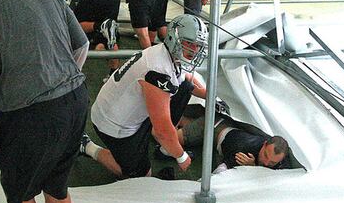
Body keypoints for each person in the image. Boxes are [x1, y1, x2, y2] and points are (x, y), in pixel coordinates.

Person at [0, 0, 89, 203]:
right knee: (57, 186)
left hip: (31, 114)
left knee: (20, 198)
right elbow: (81, 44)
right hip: (76, 99)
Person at [80, 14, 208, 179]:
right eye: (189, 43)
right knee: (141, 175)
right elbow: (162, 128)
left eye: (197, 45)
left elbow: (188, 79)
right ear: (173, 37)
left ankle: (166, 145)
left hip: (125, 109)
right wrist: (180, 155)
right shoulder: (157, 70)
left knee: (185, 87)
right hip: (113, 125)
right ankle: (88, 147)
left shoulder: (168, 53)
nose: (194, 50)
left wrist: (211, 96)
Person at [159, 101, 290, 174]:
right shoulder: (246, 149)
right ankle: (175, 118)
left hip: (226, 132)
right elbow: (219, 173)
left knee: (188, 128)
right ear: (264, 144)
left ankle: (185, 122)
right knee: (167, 144)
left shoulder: (280, 162)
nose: (266, 163)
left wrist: (255, 166)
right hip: (214, 127)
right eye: (265, 155)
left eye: (272, 162)